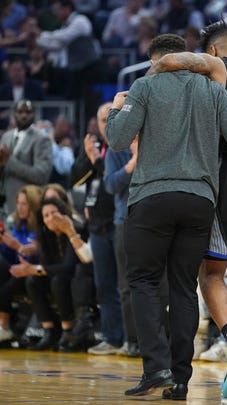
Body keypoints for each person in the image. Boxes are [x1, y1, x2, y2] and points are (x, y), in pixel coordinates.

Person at [105, 33, 227, 400]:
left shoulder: (145, 86)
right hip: (200, 199)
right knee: (185, 286)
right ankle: (181, 380)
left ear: (157, 60)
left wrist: (118, 107)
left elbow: (119, 138)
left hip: (152, 196)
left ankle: (157, 369)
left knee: (144, 282)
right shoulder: (213, 92)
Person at [71, 102, 124, 355]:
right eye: (101, 120)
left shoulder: (123, 146)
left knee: (123, 284)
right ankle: (112, 338)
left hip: (118, 222)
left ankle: (129, 338)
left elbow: (115, 184)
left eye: (109, 118)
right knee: (104, 285)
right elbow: (74, 177)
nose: (105, 125)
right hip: (96, 225)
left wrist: (98, 164)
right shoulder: (95, 148)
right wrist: (89, 159)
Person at [10, 196, 92, 350]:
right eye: (46, 216)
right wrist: (32, 270)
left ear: (63, 214)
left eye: (54, 213)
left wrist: (35, 269)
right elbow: (47, 265)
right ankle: (50, 330)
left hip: (77, 278)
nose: (51, 218)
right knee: (32, 281)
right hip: (58, 276)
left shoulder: (75, 229)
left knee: (57, 280)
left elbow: (68, 266)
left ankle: (67, 330)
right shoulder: (45, 236)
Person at [103, 136, 140, 357]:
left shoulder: (155, 142)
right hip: (124, 221)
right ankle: (132, 340)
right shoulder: (116, 150)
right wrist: (134, 160)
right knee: (126, 286)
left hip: (152, 220)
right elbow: (111, 184)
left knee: (158, 285)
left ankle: (159, 340)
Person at [0, 184, 41, 343]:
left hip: (33, 270)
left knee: (4, 290)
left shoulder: (39, 225)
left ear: (33, 204)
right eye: (18, 203)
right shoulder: (19, 224)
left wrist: (16, 245)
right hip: (17, 268)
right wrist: (4, 245)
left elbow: (33, 255)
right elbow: (11, 255)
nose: (20, 207)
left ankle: (4, 326)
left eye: (24, 204)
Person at [0, 99, 53, 218]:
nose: (24, 115)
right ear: (14, 114)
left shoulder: (42, 139)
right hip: (4, 205)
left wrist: (9, 162)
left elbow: (42, 175)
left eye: (28, 112)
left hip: (28, 208)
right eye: (20, 112)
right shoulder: (6, 137)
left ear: (34, 115)